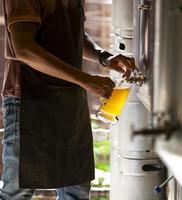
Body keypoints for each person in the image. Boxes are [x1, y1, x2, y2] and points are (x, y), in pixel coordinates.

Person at [0, 0, 136, 199]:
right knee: (18, 192)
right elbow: (24, 49)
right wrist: (86, 80)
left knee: (77, 191)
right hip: (30, 101)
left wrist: (104, 57)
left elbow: (73, 35)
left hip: (70, 99)